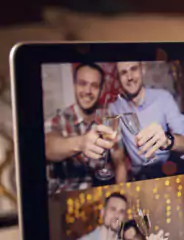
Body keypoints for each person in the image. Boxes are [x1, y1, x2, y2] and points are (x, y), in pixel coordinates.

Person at [44, 63, 125, 194]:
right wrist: (81, 143)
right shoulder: (58, 119)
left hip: (102, 196)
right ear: (74, 86)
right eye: (82, 83)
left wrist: (121, 195)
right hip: (66, 200)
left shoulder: (109, 119)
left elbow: (119, 163)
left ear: (101, 90)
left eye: (94, 86)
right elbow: (48, 147)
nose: (88, 91)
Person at [108, 61, 184, 181]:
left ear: (142, 69)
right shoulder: (115, 108)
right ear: (118, 78)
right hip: (136, 177)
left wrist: (168, 140)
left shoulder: (163, 98)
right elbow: (119, 159)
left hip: (165, 172)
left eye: (133, 69)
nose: (129, 77)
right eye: (123, 72)